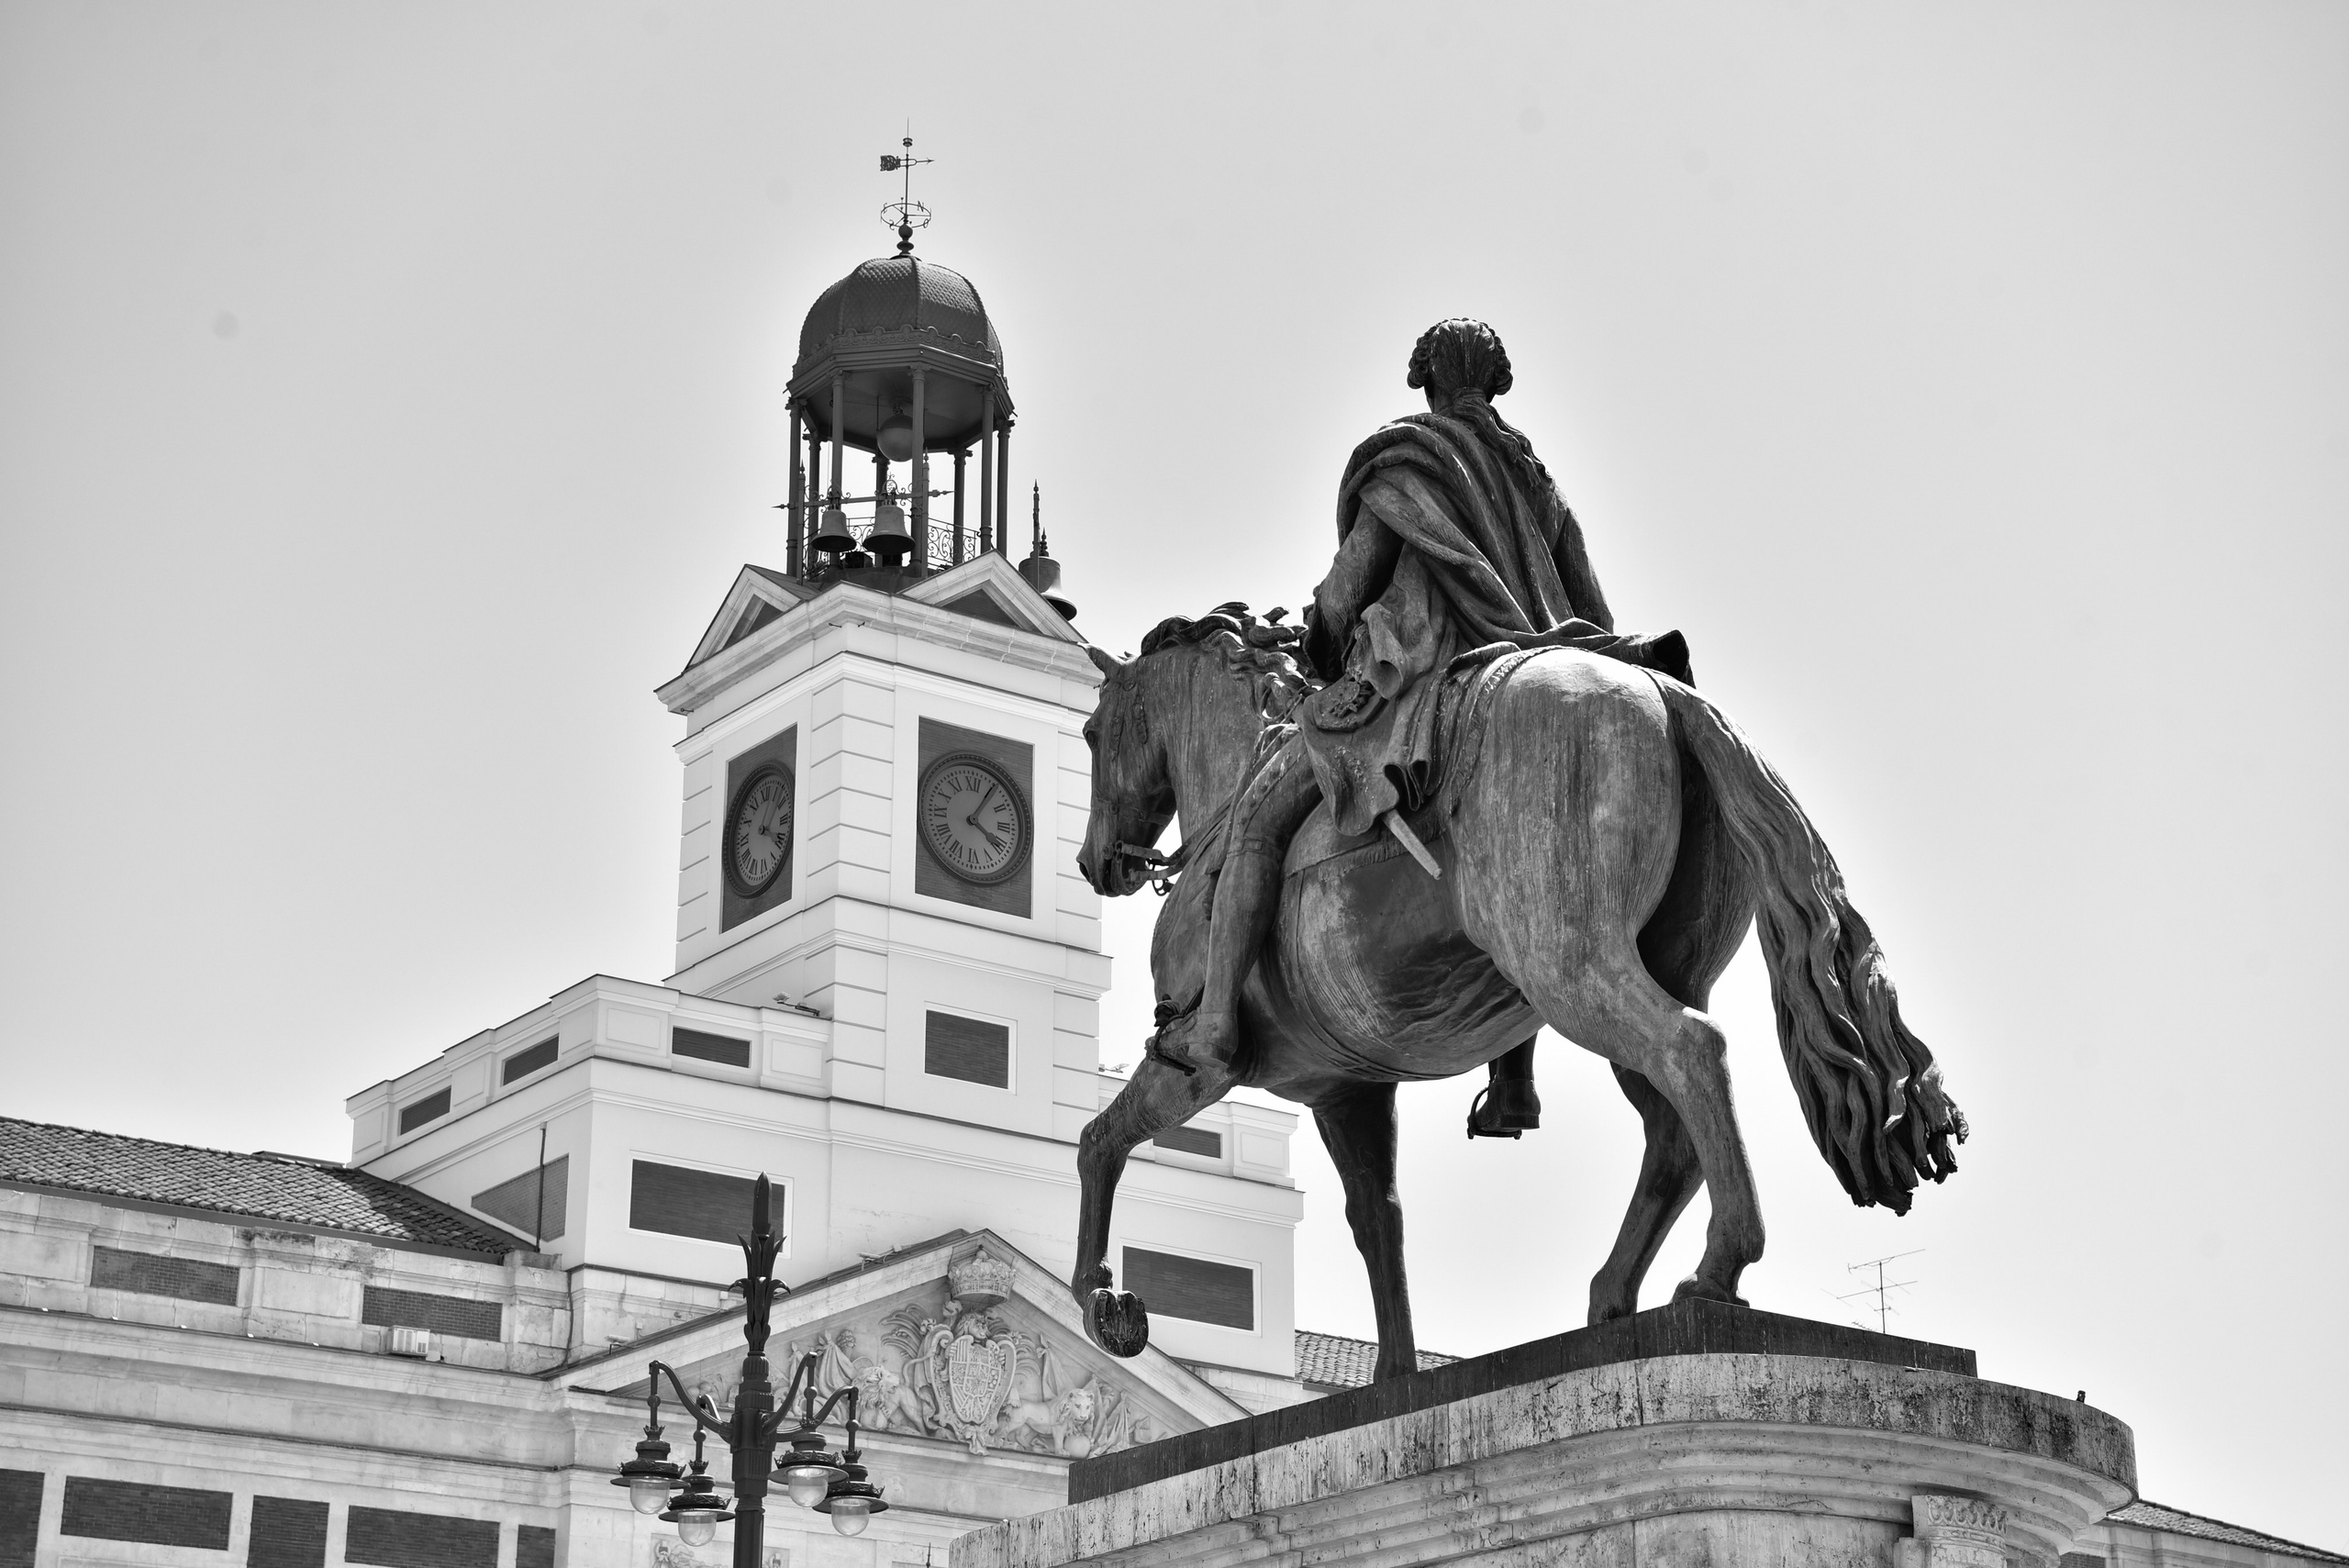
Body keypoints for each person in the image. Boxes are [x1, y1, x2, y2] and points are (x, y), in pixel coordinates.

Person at [1148, 319, 1694, 1136]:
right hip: (1536, 656)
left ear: (1427, 380)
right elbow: (1593, 611)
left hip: (1417, 679)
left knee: (1258, 825)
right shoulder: (1538, 482)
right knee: (1530, 865)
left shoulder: (1407, 461)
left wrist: (1324, 637)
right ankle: (1514, 1078)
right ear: (1495, 380)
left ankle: (1218, 1017)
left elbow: (1348, 587)